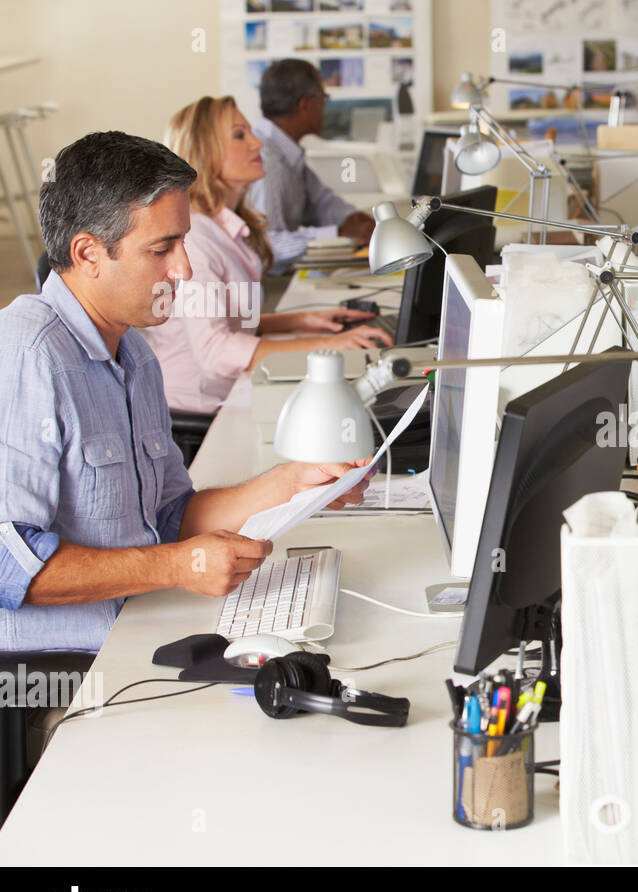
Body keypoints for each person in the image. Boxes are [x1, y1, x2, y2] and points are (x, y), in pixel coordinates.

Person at [0, 132, 370, 760]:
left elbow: (170, 516)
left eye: (184, 243)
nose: (184, 269)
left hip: (133, 625)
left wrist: (289, 482)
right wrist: (175, 567)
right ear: (88, 252)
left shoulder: (134, 352)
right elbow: (10, 565)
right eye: (162, 248)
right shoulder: (28, 357)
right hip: (55, 674)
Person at [142, 96, 390, 415]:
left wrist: (303, 321)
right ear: (205, 152)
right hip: (201, 411)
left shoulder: (224, 226)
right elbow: (215, 351)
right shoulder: (195, 238)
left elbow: (229, 319)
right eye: (239, 135)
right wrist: (329, 346)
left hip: (230, 390)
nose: (257, 143)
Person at [247, 59, 375, 272]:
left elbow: (321, 203)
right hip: (266, 285)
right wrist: (338, 234)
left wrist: (356, 220)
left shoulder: (286, 152)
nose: (325, 107)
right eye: (323, 98)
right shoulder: (267, 162)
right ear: (305, 104)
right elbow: (267, 244)